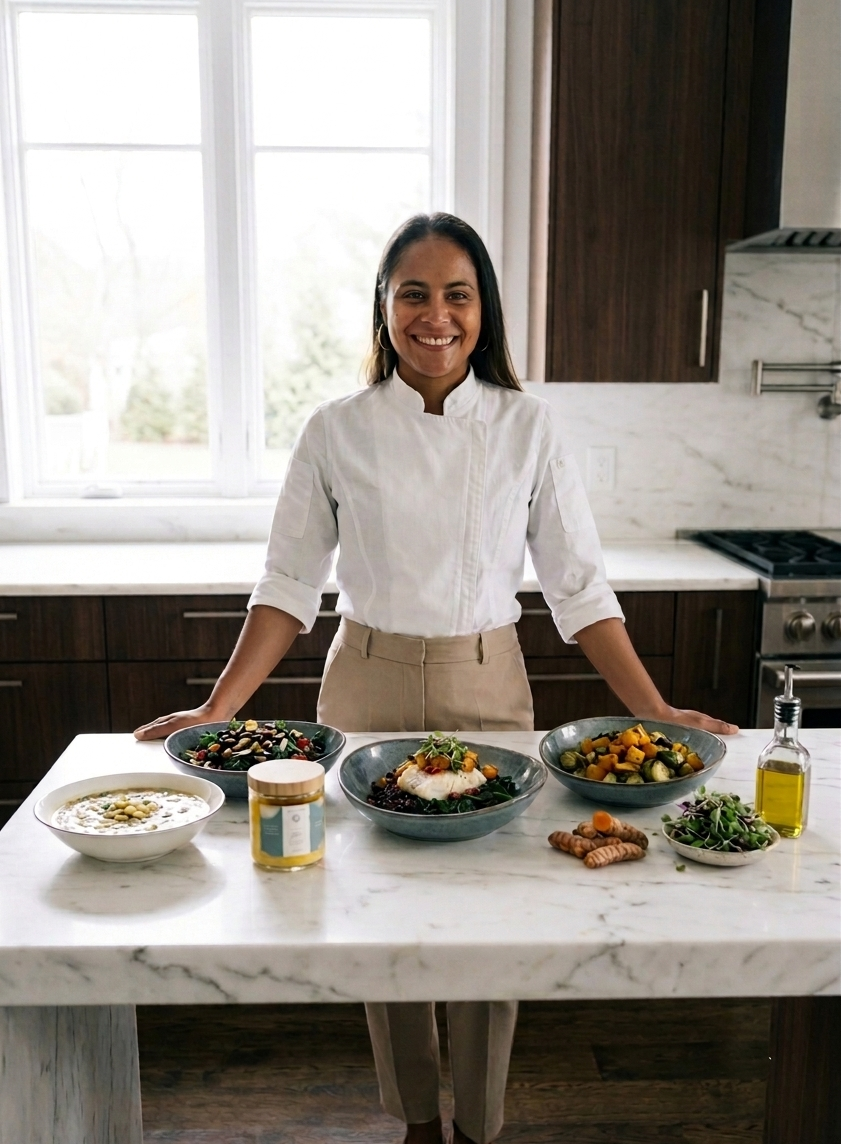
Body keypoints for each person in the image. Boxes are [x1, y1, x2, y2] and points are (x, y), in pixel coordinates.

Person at [135, 212, 737, 1144]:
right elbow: (289, 585)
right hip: (365, 680)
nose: (435, 315)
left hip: (485, 682)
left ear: (483, 311)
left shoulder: (526, 427)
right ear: (384, 309)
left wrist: (653, 710)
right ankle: (418, 1118)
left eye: (457, 294)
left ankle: (479, 1123)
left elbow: (578, 587)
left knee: (493, 915)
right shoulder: (335, 429)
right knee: (376, 914)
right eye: (412, 293)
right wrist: (219, 709)